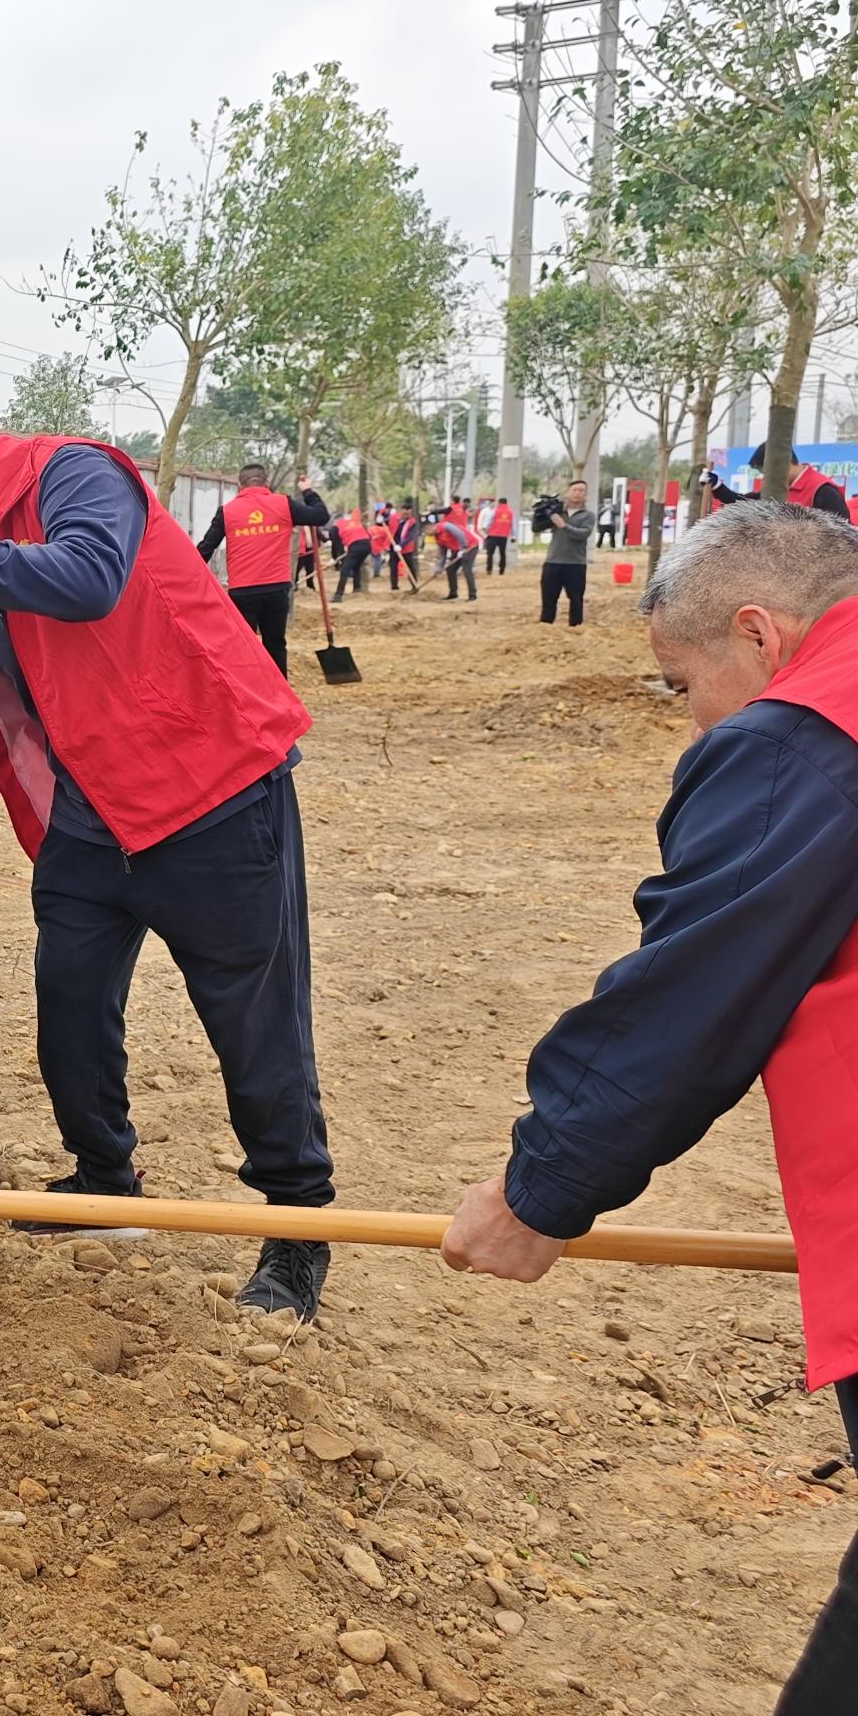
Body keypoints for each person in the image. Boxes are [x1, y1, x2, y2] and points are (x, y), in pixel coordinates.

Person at [441, 501, 858, 1710]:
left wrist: (540, 1193)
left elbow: (687, 999)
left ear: (759, 634)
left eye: (683, 684)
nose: (692, 718)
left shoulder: (803, 737)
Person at [0, 408, 335, 1320]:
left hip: (211, 793)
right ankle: (104, 1178)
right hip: (90, 817)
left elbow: (88, 580)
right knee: (69, 1003)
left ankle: (299, 1231)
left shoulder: (76, 477)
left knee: (254, 1027)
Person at [196, 462, 331, 674]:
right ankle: (279, 698)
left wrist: (186, 577)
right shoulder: (284, 504)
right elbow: (320, 516)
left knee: (244, 648)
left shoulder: (227, 511)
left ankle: (249, 696)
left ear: (240, 486)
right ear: (266, 482)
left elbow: (205, 548)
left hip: (242, 592)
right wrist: (308, 491)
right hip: (276, 589)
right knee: (276, 645)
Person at [705, 440, 854, 521]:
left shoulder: (821, 490)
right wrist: (717, 485)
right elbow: (744, 504)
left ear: (783, 462)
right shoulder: (777, 489)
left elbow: (841, 532)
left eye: (767, 473)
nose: (765, 478)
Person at [535, 480, 593, 626]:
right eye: (574, 490)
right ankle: (545, 627)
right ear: (568, 492)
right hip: (553, 562)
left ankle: (576, 628)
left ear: (585, 494)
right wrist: (543, 512)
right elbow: (536, 528)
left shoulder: (588, 515)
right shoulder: (557, 512)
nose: (577, 493)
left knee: (576, 599)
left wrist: (563, 526)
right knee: (548, 599)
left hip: (575, 564)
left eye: (581, 490)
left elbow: (583, 534)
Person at [432, 509, 480, 603]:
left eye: (428, 528)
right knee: (450, 569)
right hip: (457, 550)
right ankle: (453, 593)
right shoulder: (437, 537)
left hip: (470, 546)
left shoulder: (446, 526)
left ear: (434, 525)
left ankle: (472, 595)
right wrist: (438, 569)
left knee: (466, 569)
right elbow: (443, 555)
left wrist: (463, 548)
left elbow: (460, 535)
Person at [331, 509, 373, 602]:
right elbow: (368, 536)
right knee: (356, 567)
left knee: (345, 569)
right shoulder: (353, 522)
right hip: (367, 545)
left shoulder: (335, 528)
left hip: (356, 546)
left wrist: (336, 559)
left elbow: (336, 546)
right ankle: (357, 588)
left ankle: (338, 595)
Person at [485, 496, 514, 575]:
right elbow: (512, 525)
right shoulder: (510, 512)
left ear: (499, 503)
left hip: (493, 535)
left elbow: (490, 521)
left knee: (490, 553)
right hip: (504, 536)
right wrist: (513, 535)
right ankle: (502, 570)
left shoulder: (495, 511)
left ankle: (489, 570)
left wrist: (486, 529)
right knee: (502, 553)